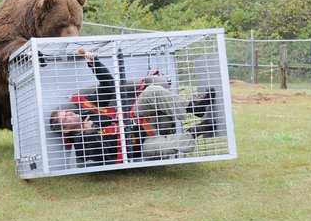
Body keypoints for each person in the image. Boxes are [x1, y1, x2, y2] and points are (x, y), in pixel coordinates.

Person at [50, 49, 215, 166]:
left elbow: (108, 85)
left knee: (153, 91)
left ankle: (192, 108)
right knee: (163, 148)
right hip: (140, 144)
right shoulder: (80, 146)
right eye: (66, 117)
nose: (70, 112)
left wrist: (94, 63)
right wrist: (90, 133)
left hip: (136, 116)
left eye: (67, 112)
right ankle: (195, 132)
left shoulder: (88, 109)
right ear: (65, 130)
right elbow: (106, 158)